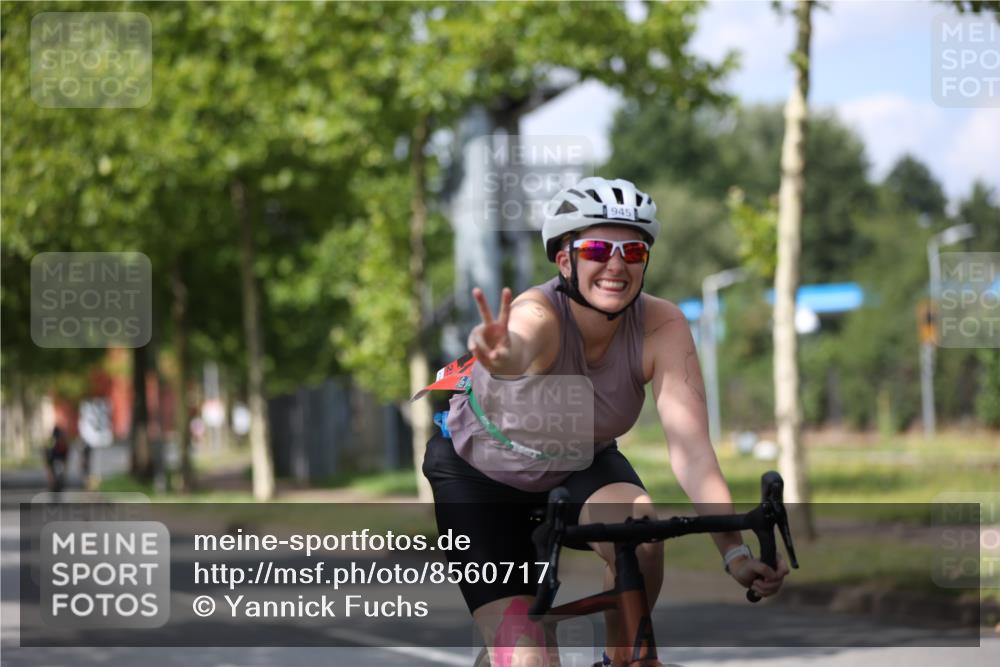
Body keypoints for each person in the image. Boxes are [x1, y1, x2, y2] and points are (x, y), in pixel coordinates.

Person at [421, 177, 789, 667]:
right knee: (529, 660)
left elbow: (692, 451)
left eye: (632, 252)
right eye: (597, 248)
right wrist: (502, 352)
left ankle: (623, 659)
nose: (616, 264)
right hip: (478, 479)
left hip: (578, 464)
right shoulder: (540, 313)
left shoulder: (663, 325)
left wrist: (735, 555)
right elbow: (521, 344)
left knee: (640, 532)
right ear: (564, 260)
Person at [44, 425, 70, 492]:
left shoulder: (61, 444)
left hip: (56, 463)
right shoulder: (55, 444)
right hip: (54, 462)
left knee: (57, 483)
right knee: (56, 484)